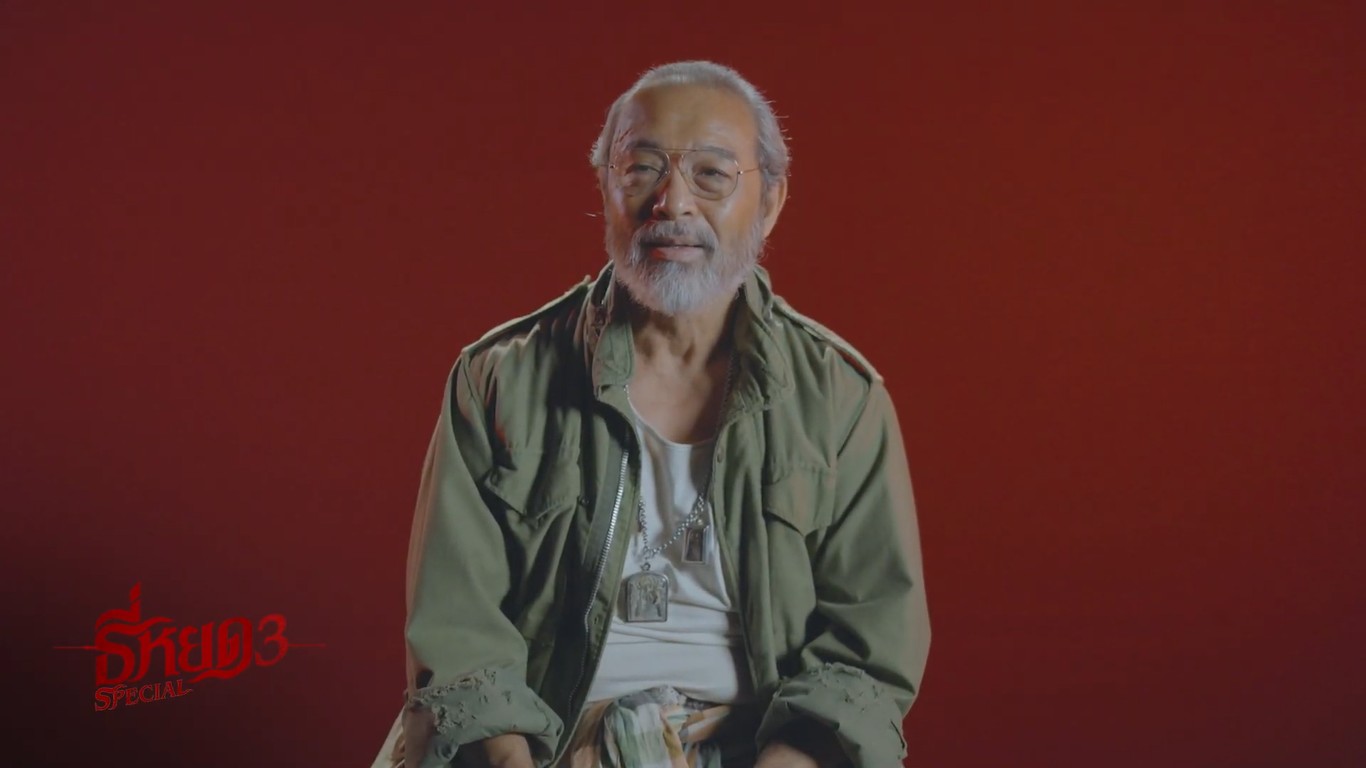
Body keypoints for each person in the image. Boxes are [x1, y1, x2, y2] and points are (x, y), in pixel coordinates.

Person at [373, 60, 930, 768]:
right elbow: (457, 636)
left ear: (770, 201)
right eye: (641, 168)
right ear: (605, 187)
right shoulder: (499, 380)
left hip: (764, 746)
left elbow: (869, 650)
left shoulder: (841, 399)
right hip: (543, 740)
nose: (673, 203)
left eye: (711, 174)